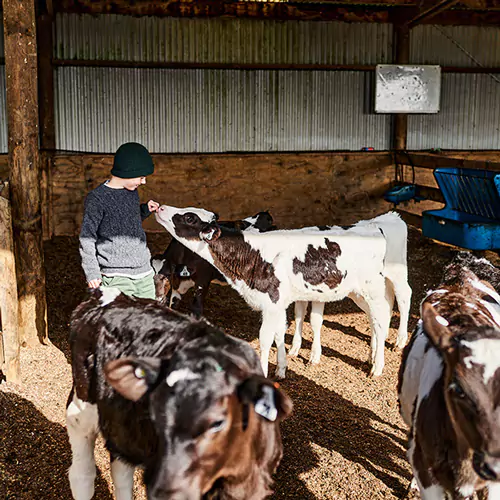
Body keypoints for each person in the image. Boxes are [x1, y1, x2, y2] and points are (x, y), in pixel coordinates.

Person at [79, 142, 159, 299]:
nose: (144, 182)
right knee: (120, 322)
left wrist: (144, 210)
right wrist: (92, 271)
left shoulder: (132, 192)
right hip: (116, 276)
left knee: (148, 319)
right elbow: (87, 237)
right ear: (128, 172)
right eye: (142, 177)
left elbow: (128, 222)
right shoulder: (97, 199)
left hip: (144, 273)